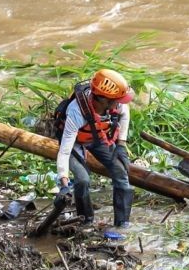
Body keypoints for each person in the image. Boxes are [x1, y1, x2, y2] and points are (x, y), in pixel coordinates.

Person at [56, 69, 134, 228]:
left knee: (122, 175)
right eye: (116, 99)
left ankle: (122, 224)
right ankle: (85, 220)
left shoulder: (117, 103)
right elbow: (64, 151)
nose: (121, 102)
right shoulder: (76, 111)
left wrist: (121, 144)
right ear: (103, 99)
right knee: (83, 180)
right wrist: (64, 184)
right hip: (76, 143)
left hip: (99, 138)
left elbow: (125, 115)